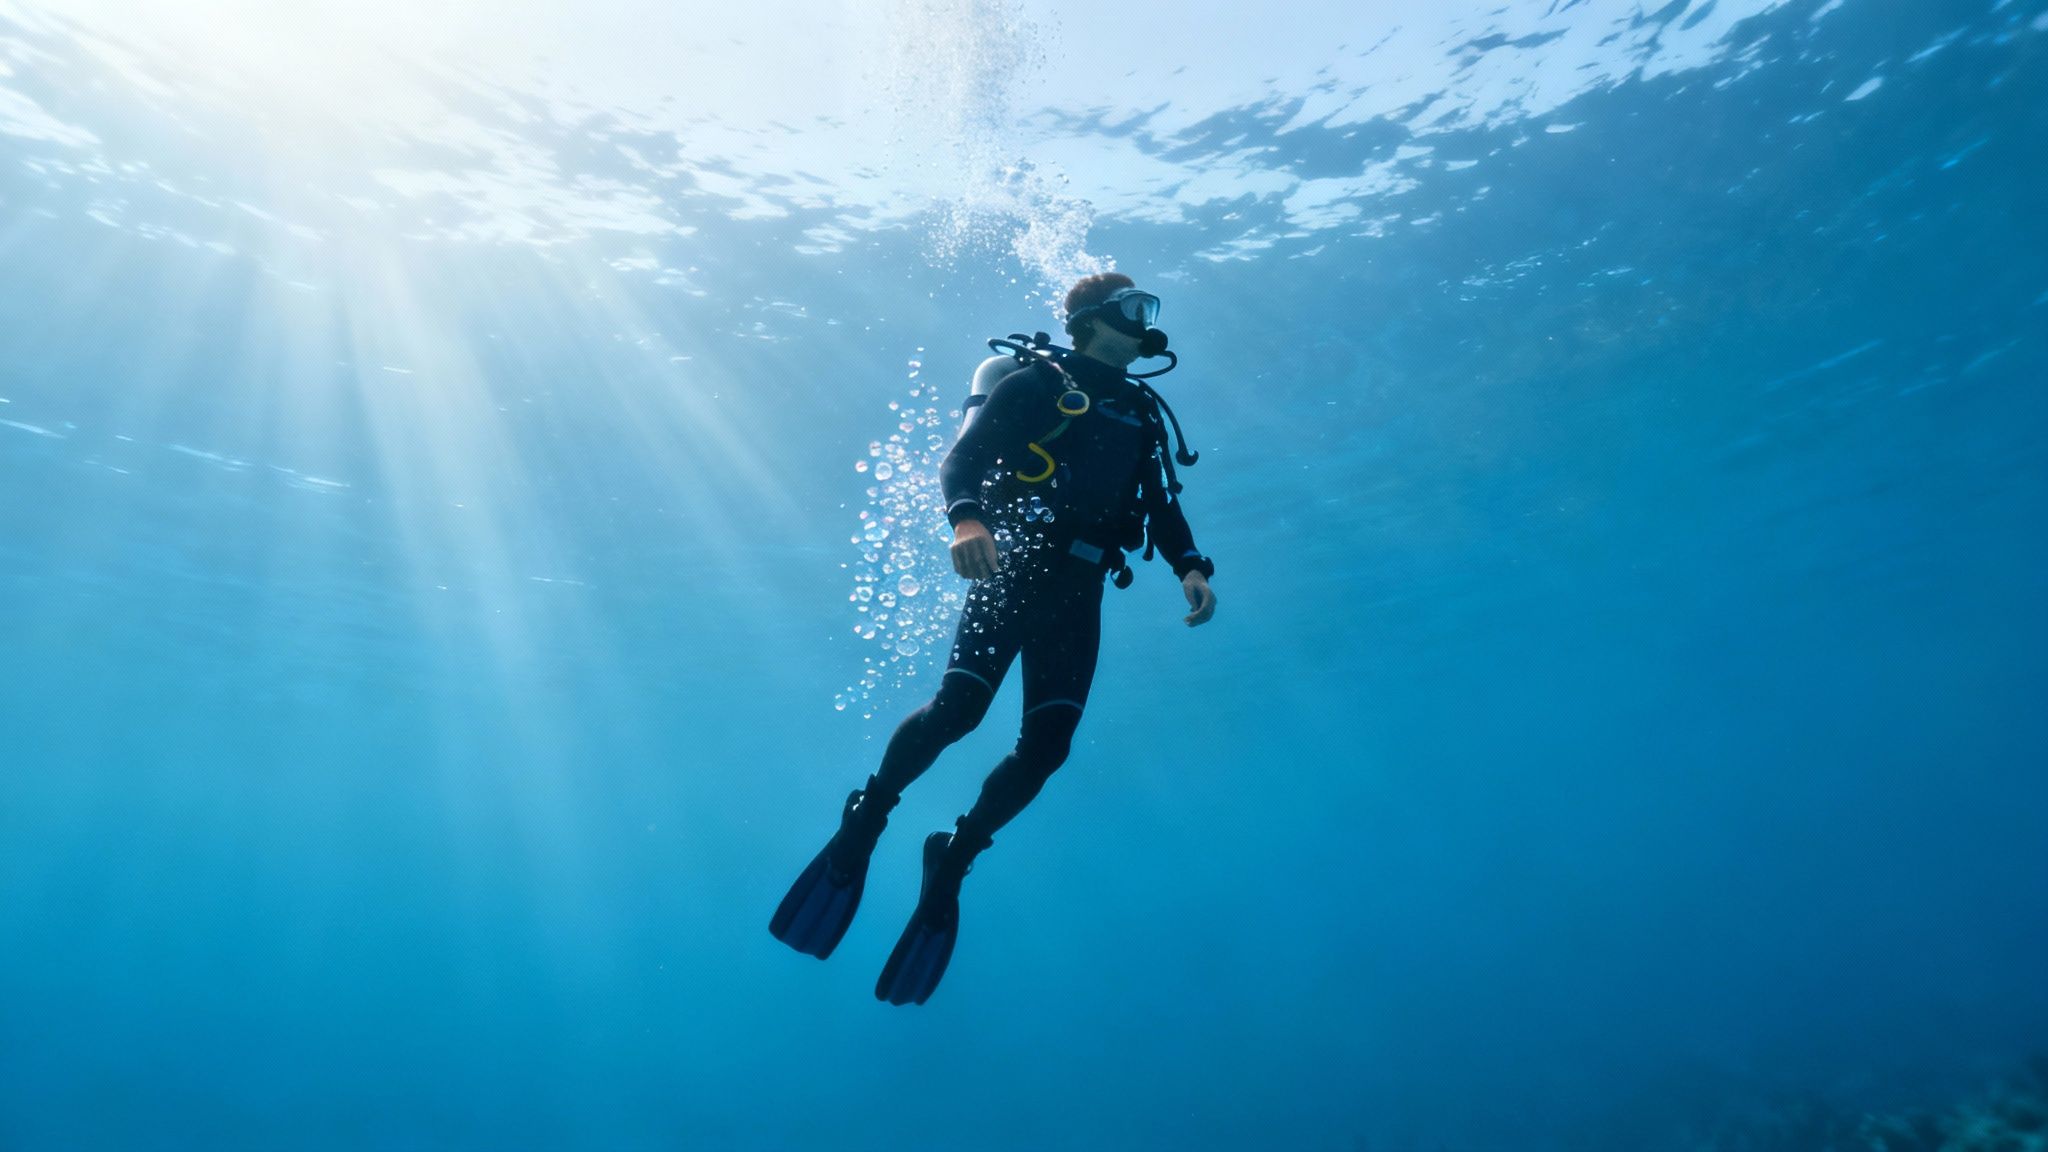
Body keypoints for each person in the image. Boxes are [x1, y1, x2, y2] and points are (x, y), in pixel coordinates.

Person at [770, 272, 1218, 1005]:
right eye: (1136, 309)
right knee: (959, 711)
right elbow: (962, 459)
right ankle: (869, 817)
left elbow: (1161, 503)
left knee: (1049, 748)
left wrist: (1189, 568)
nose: (1148, 322)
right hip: (1017, 570)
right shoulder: (1039, 384)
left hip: (1081, 590)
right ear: (1093, 319)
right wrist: (968, 520)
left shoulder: (1140, 410)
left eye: (1151, 309)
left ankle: (954, 859)